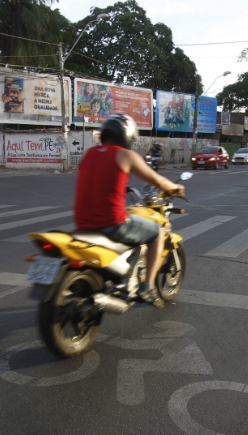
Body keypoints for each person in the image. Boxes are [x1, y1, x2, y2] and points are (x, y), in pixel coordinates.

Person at [73, 113, 184, 308]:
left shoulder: (89, 153)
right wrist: (174, 188)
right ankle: (148, 286)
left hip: (82, 223)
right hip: (111, 223)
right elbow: (156, 180)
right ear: (126, 136)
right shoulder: (126, 155)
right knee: (156, 232)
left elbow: (95, 178)